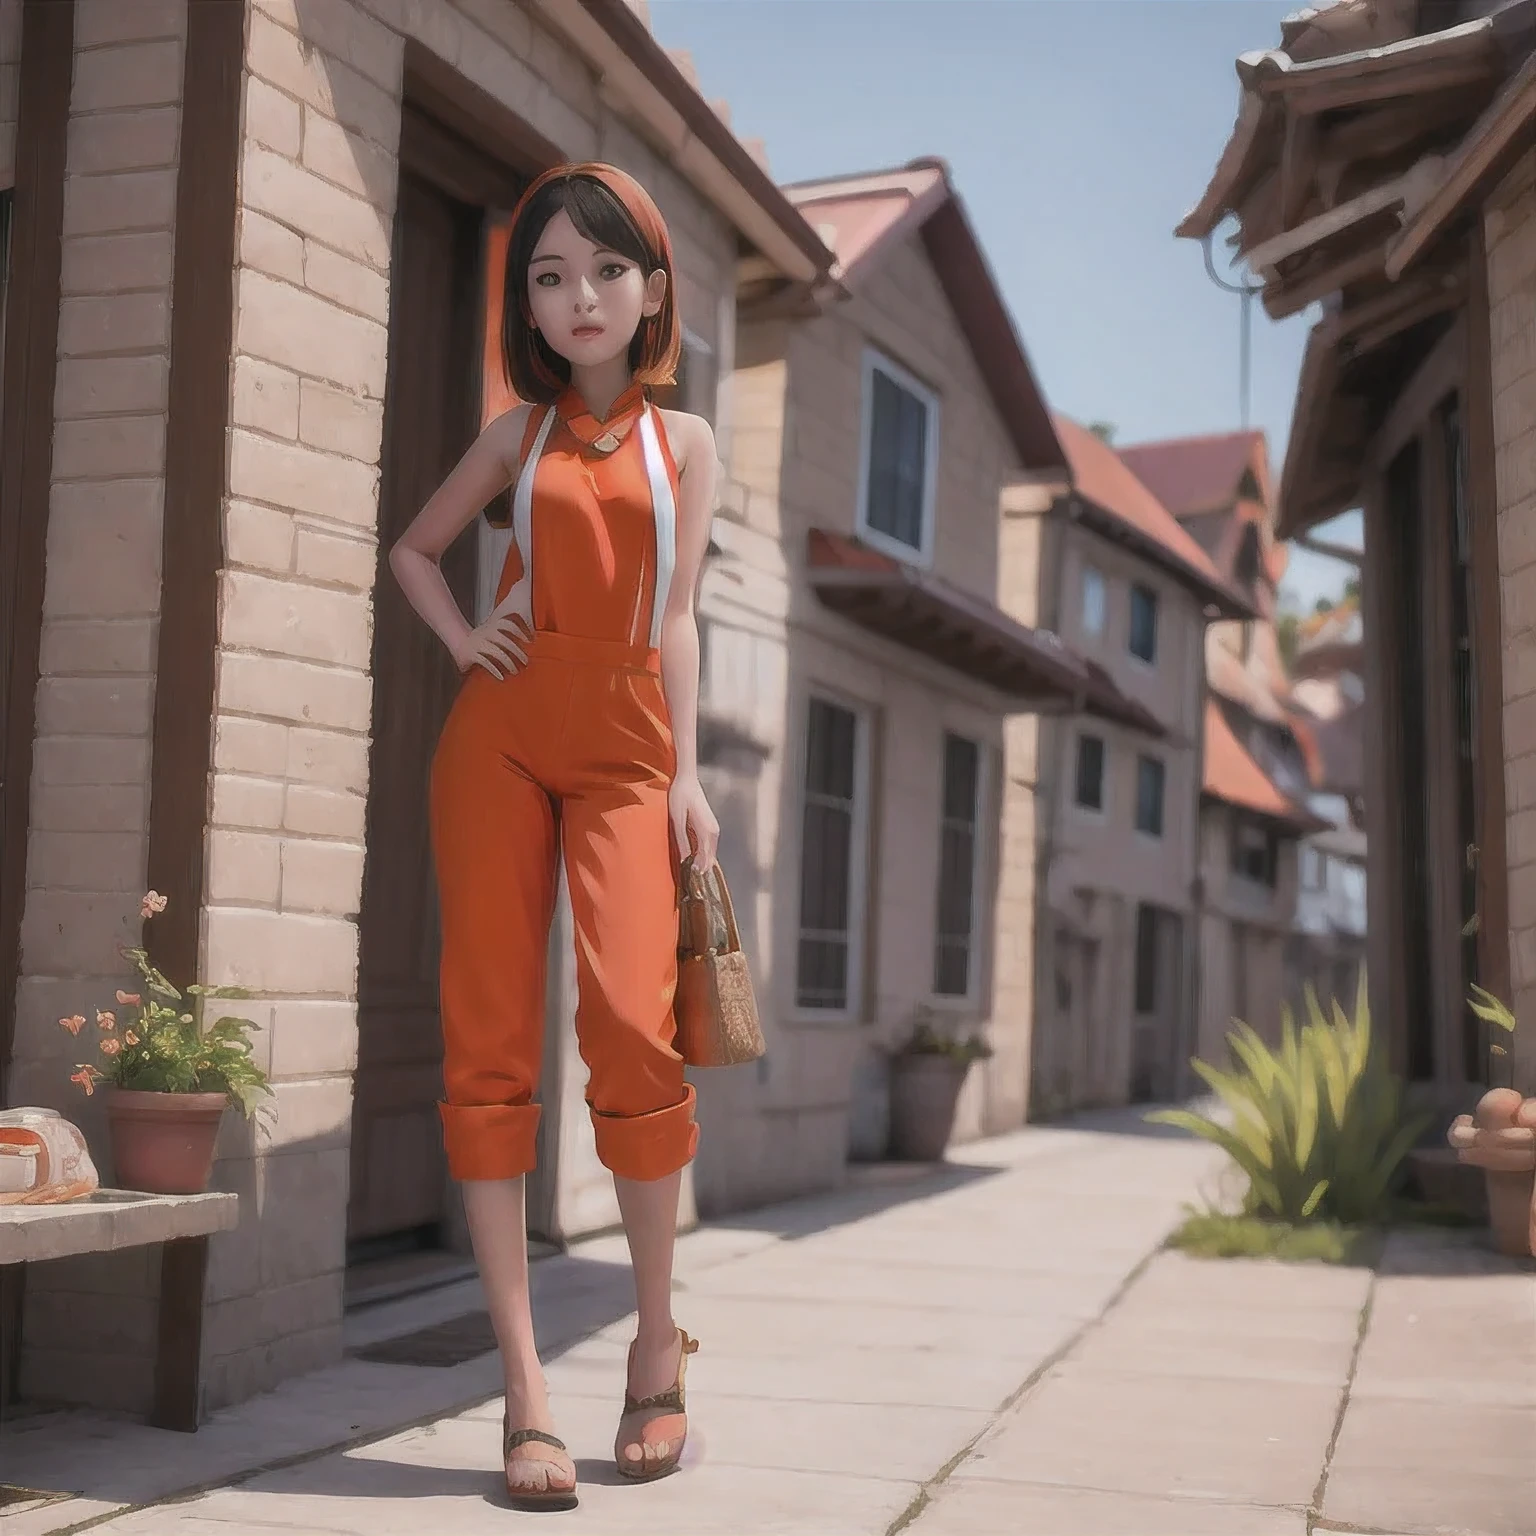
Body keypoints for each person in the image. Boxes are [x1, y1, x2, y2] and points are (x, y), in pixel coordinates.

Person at [388, 161, 719, 1511]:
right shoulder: (511, 436)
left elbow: (679, 612)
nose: (577, 298)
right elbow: (413, 550)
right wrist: (472, 639)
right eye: (548, 277)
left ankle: (655, 1343)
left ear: (650, 291)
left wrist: (691, 774)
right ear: (526, 304)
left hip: (635, 743)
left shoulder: (681, 442)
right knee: (487, 1038)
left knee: (636, 1030)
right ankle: (523, 1388)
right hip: (503, 739)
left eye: (604, 271)